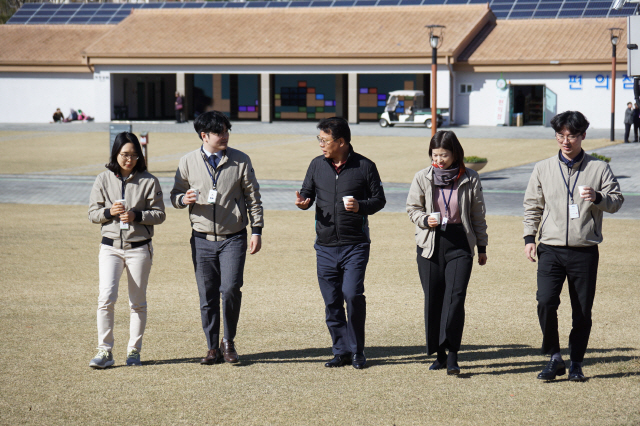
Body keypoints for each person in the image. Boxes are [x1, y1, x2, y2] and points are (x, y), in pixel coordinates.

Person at [523, 111, 624, 382]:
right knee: (545, 302)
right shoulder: (542, 168)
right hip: (551, 248)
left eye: (571, 136)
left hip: (584, 250)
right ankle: (554, 357)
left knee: (582, 310)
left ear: (583, 136)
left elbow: (616, 201)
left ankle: (576, 362)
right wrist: (529, 238)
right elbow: (532, 206)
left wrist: (598, 196)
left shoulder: (598, 168)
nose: (565, 141)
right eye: (560, 136)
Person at [170, 110, 263, 365]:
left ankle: (228, 342)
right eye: (219, 132)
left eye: (227, 130)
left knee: (231, 289)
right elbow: (175, 195)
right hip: (201, 239)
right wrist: (182, 199)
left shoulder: (241, 160)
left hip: (233, 237)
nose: (225, 136)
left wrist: (257, 230)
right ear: (204, 135)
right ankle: (212, 347)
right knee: (207, 294)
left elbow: (253, 197)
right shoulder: (187, 161)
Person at [295, 117, 386, 370]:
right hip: (324, 246)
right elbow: (307, 194)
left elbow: (379, 200)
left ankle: (358, 352)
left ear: (342, 142)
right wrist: (304, 203)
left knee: (352, 295)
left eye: (325, 140)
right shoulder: (316, 165)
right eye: (320, 140)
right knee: (332, 300)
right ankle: (340, 351)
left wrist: (360, 206)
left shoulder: (365, 166)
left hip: (355, 244)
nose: (321, 145)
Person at [406, 130, 488, 375]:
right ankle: (439, 355)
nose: (439, 160)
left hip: (460, 244)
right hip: (430, 244)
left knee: (455, 299)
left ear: (455, 154)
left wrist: (482, 246)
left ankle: (453, 354)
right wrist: (424, 219)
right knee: (434, 299)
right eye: (435, 155)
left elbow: (478, 215)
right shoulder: (422, 177)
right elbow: (412, 208)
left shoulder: (470, 178)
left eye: (444, 155)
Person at [87, 132, 166, 368]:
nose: (128, 159)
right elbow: (92, 213)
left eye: (133, 155)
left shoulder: (149, 181)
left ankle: (134, 351)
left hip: (139, 248)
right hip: (110, 248)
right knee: (106, 299)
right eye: (124, 154)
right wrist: (109, 212)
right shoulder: (103, 179)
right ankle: (104, 351)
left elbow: (160, 214)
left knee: (137, 303)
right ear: (116, 154)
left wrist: (137, 215)